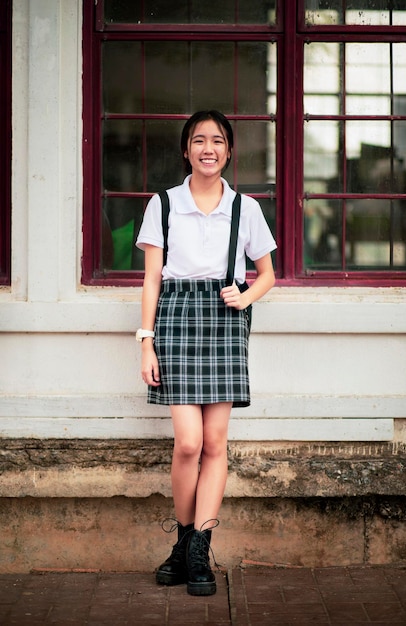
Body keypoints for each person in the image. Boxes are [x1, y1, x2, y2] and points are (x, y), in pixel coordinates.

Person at [136, 110, 276, 596]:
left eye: (217, 140)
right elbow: (152, 278)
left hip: (223, 320)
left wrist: (246, 295)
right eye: (199, 140)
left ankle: (198, 550)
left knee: (215, 443)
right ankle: (183, 540)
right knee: (189, 444)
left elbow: (268, 274)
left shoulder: (246, 208)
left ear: (230, 150)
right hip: (175, 320)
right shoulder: (164, 204)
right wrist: (145, 340)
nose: (208, 148)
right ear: (186, 149)